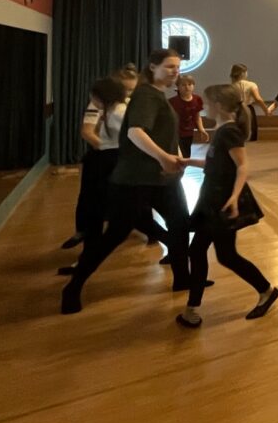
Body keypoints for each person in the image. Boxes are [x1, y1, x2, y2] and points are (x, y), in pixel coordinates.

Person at [61, 49, 193, 314]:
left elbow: (163, 135)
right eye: (169, 66)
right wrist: (164, 157)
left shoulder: (156, 95)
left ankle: (183, 279)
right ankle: (73, 288)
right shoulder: (146, 95)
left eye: (177, 67)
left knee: (179, 224)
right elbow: (135, 132)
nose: (175, 71)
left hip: (163, 178)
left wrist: (174, 159)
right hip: (137, 179)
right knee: (115, 234)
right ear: (153, 67)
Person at [176, 84, 278, 327]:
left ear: (219, 105)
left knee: (221, 254)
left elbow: (242, 166)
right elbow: (216, 163)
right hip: (213, 199)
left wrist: (233, 197)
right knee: (209, 252)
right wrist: (188, 161)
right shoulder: (223, 130)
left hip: (221, 201)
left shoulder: (229, 131)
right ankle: (193, 307)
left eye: (208, 103)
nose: (204, 106)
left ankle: (265, 290)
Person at [61, 75, 129, 252]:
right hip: (103, 158)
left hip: (113, 159)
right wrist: (105, 148)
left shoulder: (120, 111)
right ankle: (88, 239)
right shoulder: (106, 108)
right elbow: (88, 132)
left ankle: (92, 246)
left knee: (107, 204)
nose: (130, 92)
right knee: (92, 201)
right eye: (128, 89)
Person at [170, 74, 208, 159]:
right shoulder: (173, 102)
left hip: (189, 132)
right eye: (183, 85)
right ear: (178, 87)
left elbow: (197, 117)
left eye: (189, 84)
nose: (187, 87)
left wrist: (201, 129)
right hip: (176, 133)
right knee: (178, 154)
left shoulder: (197, 99)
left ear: (193, 86)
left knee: (186, 154)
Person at [229, 64, 269, 141]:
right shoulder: (251, 85)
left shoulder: (231, 86)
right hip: (248, 109)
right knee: (250, 132)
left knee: (237, 134)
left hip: (235, 110)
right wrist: (266, 110)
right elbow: (258, 99)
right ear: (243, 73)